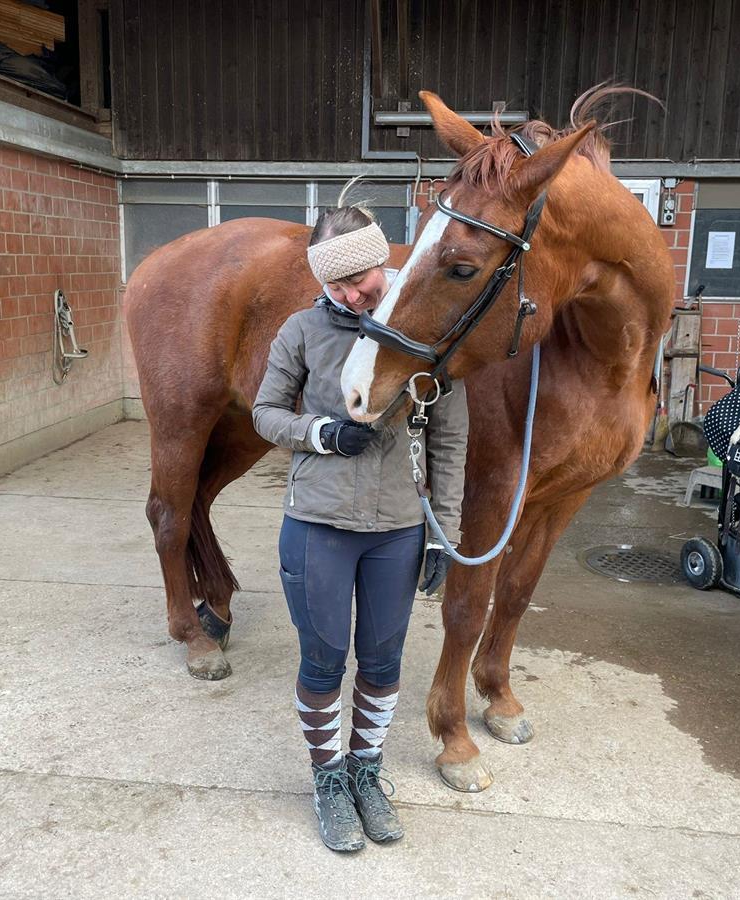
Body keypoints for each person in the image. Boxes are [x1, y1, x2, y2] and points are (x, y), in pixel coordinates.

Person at [252, 206, 468, 852]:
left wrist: (442, 530)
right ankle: (328, 781)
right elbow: (264, 412)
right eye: (335, 285)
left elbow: (450, 439)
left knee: (381, 660)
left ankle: (366, 773)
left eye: (361, 280)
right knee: (323, 660)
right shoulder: (301, 331)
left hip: (398, 527)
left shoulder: (427, 329)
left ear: (384, 263)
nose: (350, 294)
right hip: (319, 522)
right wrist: (318, 434)